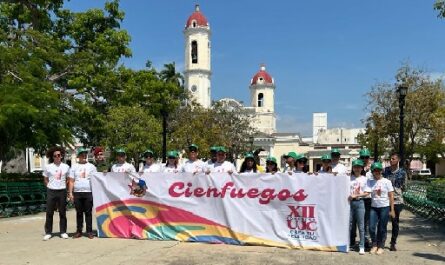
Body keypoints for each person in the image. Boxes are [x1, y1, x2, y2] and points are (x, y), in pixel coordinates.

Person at [68, 147, 97, 239]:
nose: (84, 156)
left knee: (88, 213)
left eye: (85, 154)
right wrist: (70, 193)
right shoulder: (74, 167)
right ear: (78, 156)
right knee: (79, 213)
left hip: (88, 192)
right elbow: (71, 181)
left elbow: (96, 180)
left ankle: (89, 231)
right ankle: (79, 231)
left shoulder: (92, 167)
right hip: (77, 192)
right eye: (82, 154)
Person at [42, 146, 70, 241]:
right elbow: (45, 179)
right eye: (55, 156)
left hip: (62, 191)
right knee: (49, 212)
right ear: (52, 157)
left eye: (58, 155)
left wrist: (64, 187)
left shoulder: (66, 167)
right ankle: (48, 232)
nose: (57, 157)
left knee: (62, 212)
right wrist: (49, 186)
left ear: (61, 156)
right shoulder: (48, 167)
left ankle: (63, 232)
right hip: (51, 191)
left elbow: (68, 179)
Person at [368, 162, 395, 255]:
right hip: (373, 207)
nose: (376, 172)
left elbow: (391, 195)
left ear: (381, 171)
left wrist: (392, 210)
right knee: (371, 227)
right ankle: (374, 244)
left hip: (384, 207)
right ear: (372, 171)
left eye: (378, 170)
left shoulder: (387, 181)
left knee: (382, 227)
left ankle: (381, 245)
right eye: (374, 170)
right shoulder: (370, 182)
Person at [383, 152, 406, 251]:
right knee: (382, 221)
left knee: (395, 222)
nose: (391, 160)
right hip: (385, 199)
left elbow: (404, 186)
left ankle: (393, 243)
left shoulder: (402, 172)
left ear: (398, 160)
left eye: (393, 159)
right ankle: (381, 241)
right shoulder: (385, 171)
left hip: (397, 200)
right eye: (390, 159)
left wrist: (397, 192)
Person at [348, 159, 371, 255]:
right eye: (355, 167)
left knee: (361, 226)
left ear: (362, 168)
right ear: (352, 168)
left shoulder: (365, 179)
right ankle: (349, 244)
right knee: (349, 225)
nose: (357, 169)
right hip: (349, 204)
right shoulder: (348, 178)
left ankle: (361, 246)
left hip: (360, 203)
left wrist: (356, 195)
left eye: (359, 167)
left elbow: (367, 192)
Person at [359, 148, 373, 249]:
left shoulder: (374, 168)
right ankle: (362, 240)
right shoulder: (357, 168)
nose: (364, 159)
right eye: (362, 157)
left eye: (366, 157)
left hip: (369, 198)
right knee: (360, 221)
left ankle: (367, 240)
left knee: (368, 221)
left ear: (369, 158)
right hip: (359, 198)